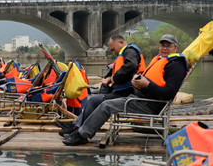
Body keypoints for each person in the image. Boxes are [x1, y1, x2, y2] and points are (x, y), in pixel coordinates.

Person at [60, 34, 188, 146]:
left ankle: (82, 135)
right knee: (97, 101)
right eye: (162, 46)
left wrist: (146, 85)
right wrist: (138, 82)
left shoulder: (176, 66)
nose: (164, 49)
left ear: (176, 48)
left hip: (151, 104)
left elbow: (169, 93)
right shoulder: (161, 60)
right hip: (139, 98)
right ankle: (77, 129)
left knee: (106, 105)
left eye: (168, 46)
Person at [55, 34, 144, 133]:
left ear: (121, 42)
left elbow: (130, 66)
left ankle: (77, 128)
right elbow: (116, 72)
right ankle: (76, 126)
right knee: (94, 100)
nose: (113, 52)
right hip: (120, 93)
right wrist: (107, 79)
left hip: (127, 95)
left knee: (94, 100)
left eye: (113, 49)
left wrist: (113, 78)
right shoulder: (123, 55)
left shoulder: (130, 51)